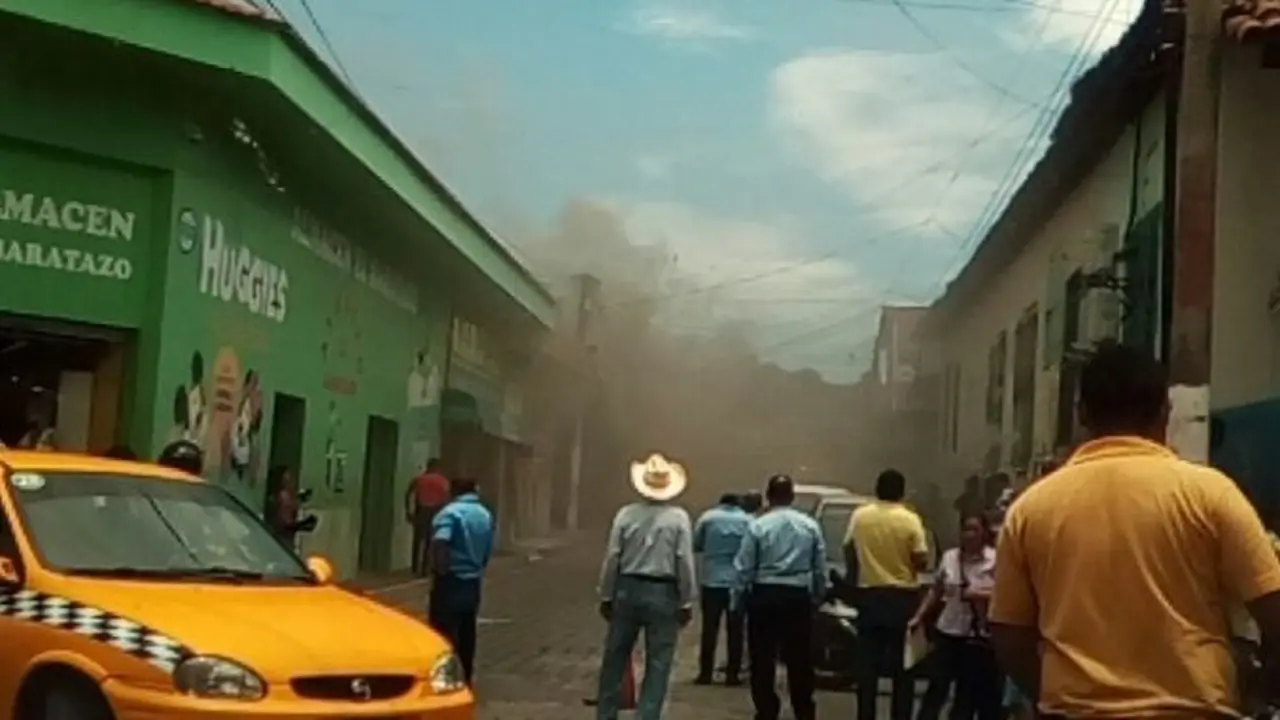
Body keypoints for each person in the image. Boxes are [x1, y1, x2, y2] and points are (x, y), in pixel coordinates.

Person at [990, 340, 1280, 719]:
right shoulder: (1211, 495)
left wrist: (1056, 696)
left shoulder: (1031, 508)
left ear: (1082, 414)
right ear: (1165, 410)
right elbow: (1273, 608)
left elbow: (1009, 635)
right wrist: (1256, 685)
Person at [594, 453, 696, 720]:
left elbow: (613, 557)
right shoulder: (679, 518)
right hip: (663, 592)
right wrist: (686, 600)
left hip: (627, 587)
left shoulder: (626, 514)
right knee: (659, 663)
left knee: (615, 657)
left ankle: (605, 714)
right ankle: (647, 715)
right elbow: (684, 561)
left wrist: (606, 595)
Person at [734, 474, 827, 720]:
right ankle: (804, 710)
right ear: (792, 496)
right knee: (800, 659)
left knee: (762, 658)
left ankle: (766, 710)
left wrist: (738, 599)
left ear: (769, 496)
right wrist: (818, 595)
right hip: (797, 596)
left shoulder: (758, 526)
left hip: (765, 595)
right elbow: (819, 567)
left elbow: (744, 567)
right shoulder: (809, 525)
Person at [845, 468, 930, 720]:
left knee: (867, 666)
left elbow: (849, 549)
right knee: (902, 667)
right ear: (902, 492)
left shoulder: (860, 516)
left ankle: (866, 715)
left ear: (877, 489)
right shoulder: (909, 519)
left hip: (870, 595)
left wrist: (853, 580)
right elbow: (921, 559)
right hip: (902, 598)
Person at [911, 511, 1000, 720]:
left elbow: (1006, 593)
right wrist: (919, 616)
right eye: (966, 529)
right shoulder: (950, 557)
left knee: (966, 692)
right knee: (937, 685)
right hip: (948, 630)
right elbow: (937, 589)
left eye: (975, 529)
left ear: (984, 532)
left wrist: (979, 594)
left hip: (976, 636)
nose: (970, 535)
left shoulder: (995, 560)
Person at [427, 476, 494, 685]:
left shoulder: (450, 513)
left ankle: (445, 678)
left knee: (443, 633)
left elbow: (440, 542)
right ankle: (466, 675)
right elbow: (488, 548)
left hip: (451, 580)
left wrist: (440, 570)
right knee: (467, 632)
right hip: (473, 581)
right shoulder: (485, 514)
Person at [693, 492, 750, 686]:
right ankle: (732, 674)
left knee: (710, 628)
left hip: (712, 580)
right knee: (736, 630)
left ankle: (705, 673)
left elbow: (697, 544)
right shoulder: (748, 521)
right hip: (736, 582)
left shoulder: (708, 518)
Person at [406, 459, 450, 576]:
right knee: (429, 541)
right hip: (435, 511)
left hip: (420, 510)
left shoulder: (419, 479)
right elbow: (446, 499)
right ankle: (424, 569)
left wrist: (408, 511)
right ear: (437, 468)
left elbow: (408, 494)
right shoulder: (443, 481)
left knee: (417, 540)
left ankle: (414, 566)